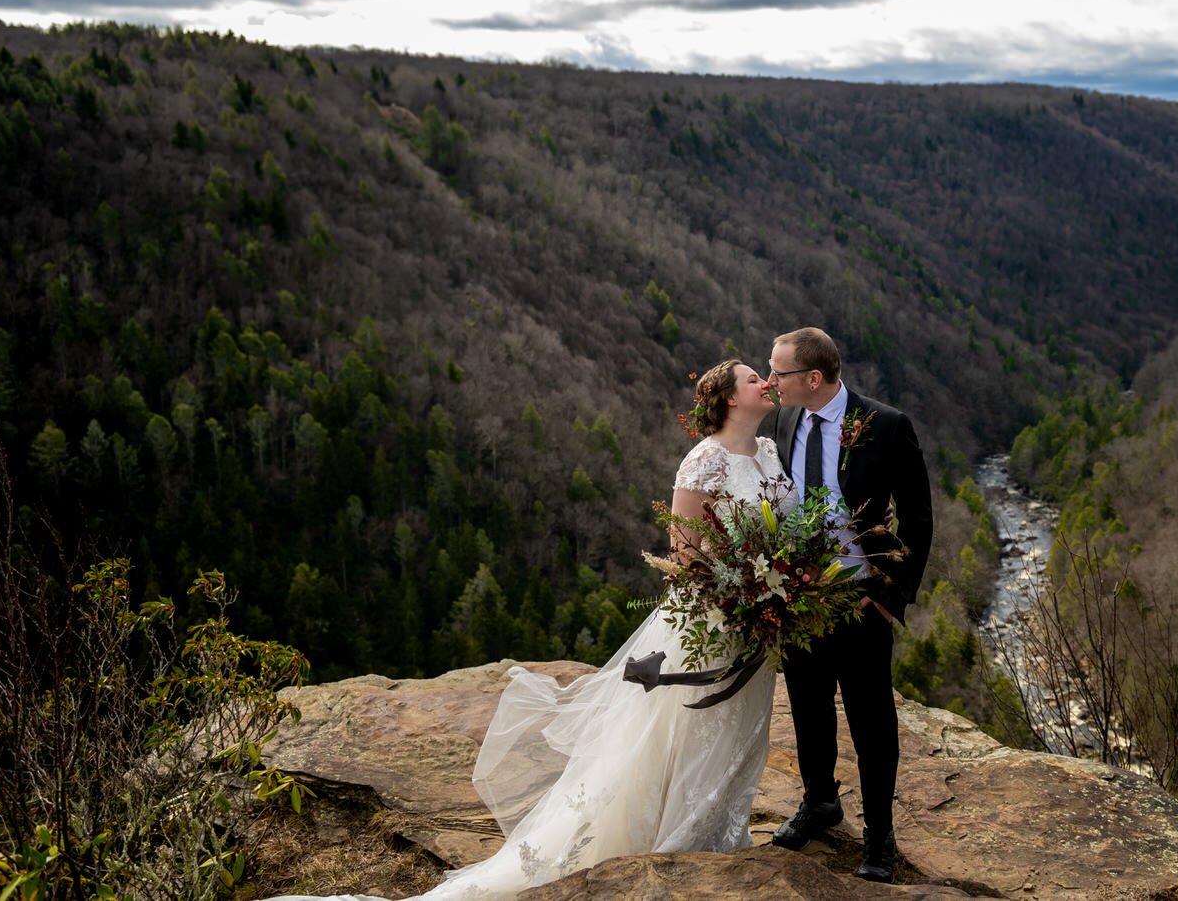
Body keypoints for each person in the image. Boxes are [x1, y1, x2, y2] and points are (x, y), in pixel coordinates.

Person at [266, 360, 787, 900]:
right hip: (710, 614)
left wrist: (781, 580)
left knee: (737, 718)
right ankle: (677, 835)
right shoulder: (703, 460)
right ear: (728, 399)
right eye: (754, 379)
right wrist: (737, 586)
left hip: (756, 618)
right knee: (686, 724)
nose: (765, 384)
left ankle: (723, 827)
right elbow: (683, 550)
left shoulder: (769, 452)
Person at [759, 326, 933, 884]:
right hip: (801, 596)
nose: (770, 381)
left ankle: (879, 834)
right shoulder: (786, 418)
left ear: (813, 378)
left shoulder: (886, 425)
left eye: (778, 372)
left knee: (871, 718)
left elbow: (919, 517)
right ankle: (819, 802)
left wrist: (891, 596)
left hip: (861, 599)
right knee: (808, 707)